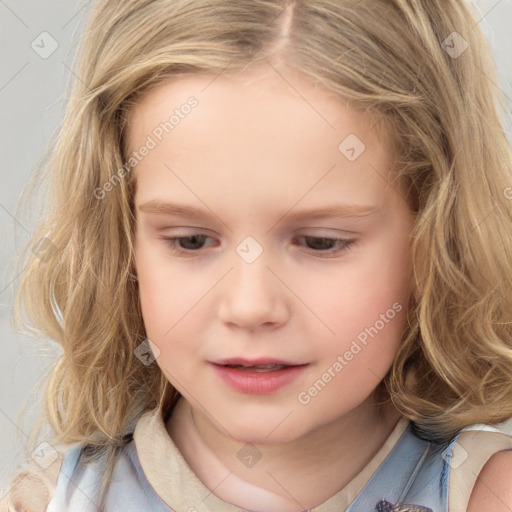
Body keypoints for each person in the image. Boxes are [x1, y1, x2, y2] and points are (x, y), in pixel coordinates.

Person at [2, 0, 512, 511]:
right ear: (122, 242)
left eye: (321, 242)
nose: (249, 307)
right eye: (190, 240)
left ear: (438, 236)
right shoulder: (54, 501)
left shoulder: (486, 495)